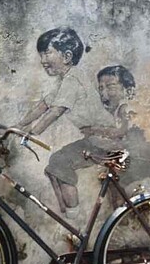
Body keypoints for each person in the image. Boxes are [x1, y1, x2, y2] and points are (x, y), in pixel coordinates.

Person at [13, 27, 117, 217]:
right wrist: (17, 126)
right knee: (55, 165)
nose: (43, 60)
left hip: (104, 138)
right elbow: (43, 106)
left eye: (47, 53)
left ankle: (75, 222)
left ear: (67, 56)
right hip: (95, 137)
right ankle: (68, 215)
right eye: (41, 54)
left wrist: (32, 133)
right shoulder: (65, 80)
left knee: (60, 164)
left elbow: (55, 111)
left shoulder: (73, 80)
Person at [94, 65, 150, 190]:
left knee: (124, 193)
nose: (103, 93)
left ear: (128, 91)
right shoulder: (115, 113)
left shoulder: (125, 109)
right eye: (101, 88)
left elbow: (122, 132)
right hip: (129, 159)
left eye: (110, 87)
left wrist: (97, 132)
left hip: (139, 161)